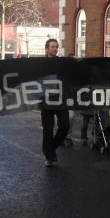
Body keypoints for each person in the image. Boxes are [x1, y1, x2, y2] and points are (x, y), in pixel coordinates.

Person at [41, 39, 70, 167]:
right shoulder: (39, 64)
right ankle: (49, 157)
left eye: (56, 47)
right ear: (47, 48)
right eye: (52, 47)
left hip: (60, 100)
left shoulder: (61, 63)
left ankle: (50, 149)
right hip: (46, 101)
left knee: (65, 126)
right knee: (48, 130)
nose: (55, 49)